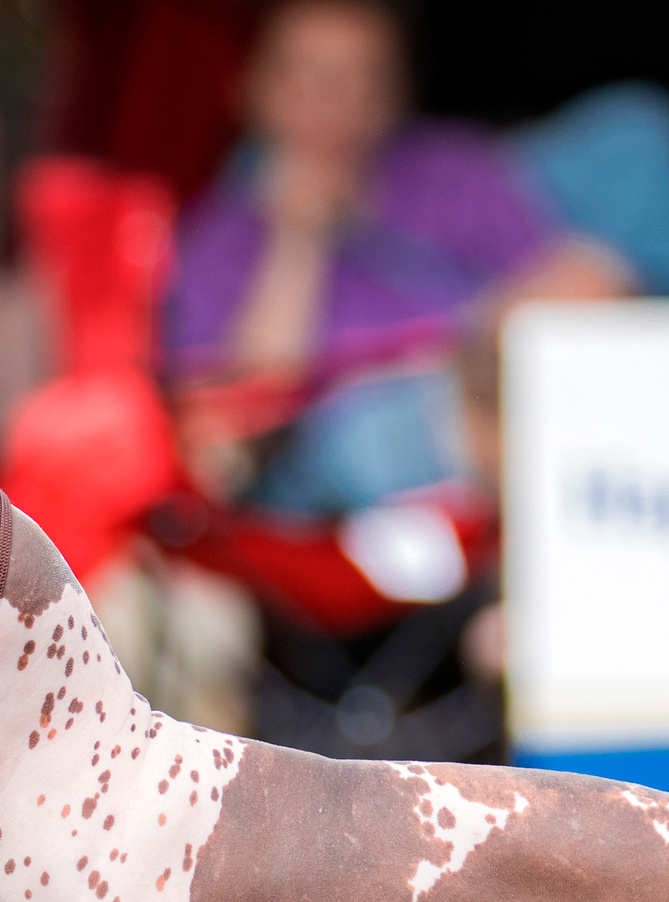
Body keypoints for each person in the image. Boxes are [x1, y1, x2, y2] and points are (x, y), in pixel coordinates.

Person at [163, 0, 574, 520]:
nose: (330, 104)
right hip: (335, 480)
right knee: (360, 441)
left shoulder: (457, 170)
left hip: (499, 404)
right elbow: (243, 415)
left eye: (359, 79)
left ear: (393, 96)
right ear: (253, 88)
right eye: (306, 76)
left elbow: (559, 292)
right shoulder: (216, 238)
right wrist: (297, 241)